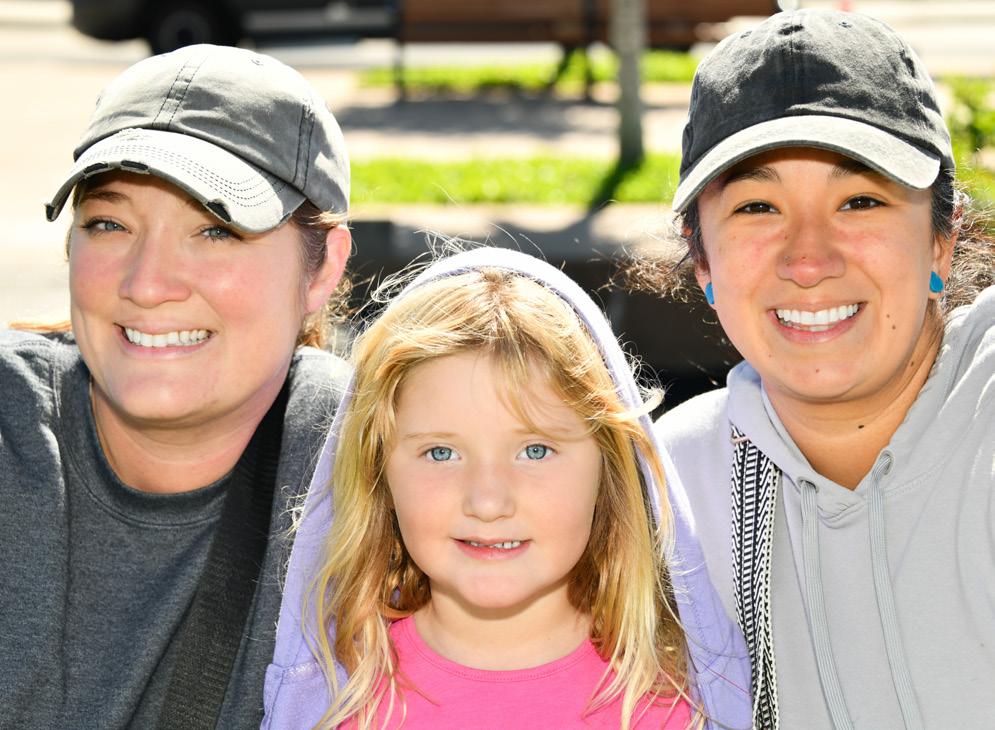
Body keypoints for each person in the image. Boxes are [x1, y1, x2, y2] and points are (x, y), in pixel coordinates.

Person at [643, 9, 995, 730]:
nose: (808, 260)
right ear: (702, 261)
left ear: (941, 238)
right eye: (757, 206)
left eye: (860, 201)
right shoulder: (671, 491)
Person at [0, 45, 352, 728]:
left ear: (320, 269)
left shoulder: (392, 469)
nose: (147, 283)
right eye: (109, 224)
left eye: (215, 230)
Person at [261, 247, 753, 729]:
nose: (488, 502)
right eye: (441, 453)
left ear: (610, 471)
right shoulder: (336, 701)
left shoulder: (676, 708)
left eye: (534, 451)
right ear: (377, 475)